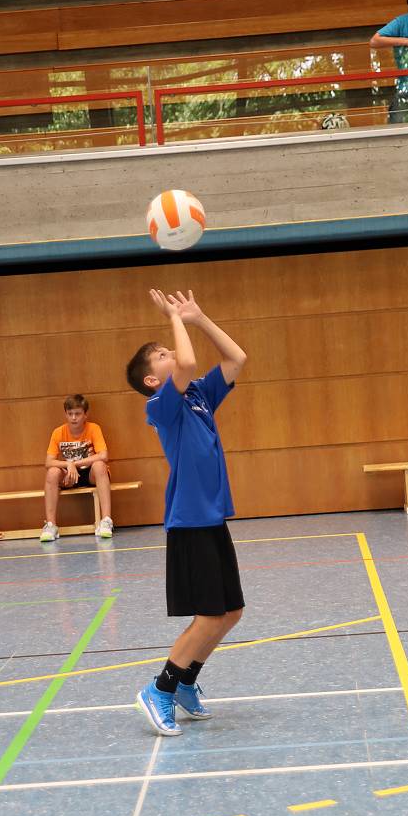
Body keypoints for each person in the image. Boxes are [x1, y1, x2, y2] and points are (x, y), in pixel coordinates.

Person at [125, 289, 246, 736]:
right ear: (152, 379)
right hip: (190, 521)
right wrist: (175, 318)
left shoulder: (197, 395)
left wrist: (199, 318)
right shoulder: (162, 404)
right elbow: (189, 362)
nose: (170, 353)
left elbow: (237, 358)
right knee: (209, 616)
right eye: (161, 355)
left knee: (230, 612)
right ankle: (159, 689)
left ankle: (185, 683)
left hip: (212, 518)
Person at [41, 394, 113, 542]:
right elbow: (48, 462)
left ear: (85, 414)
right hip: (69, 476)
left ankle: (106, 521)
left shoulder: (93, 428)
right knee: (52, 472)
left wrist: (74, 463)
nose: (73, 418)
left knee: (100, 466)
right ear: (66, 414)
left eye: (78, 414)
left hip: (90, 473)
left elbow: (103, 455)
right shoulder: (58, 432)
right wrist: (68, 465)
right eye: (70, 414)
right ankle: (51, 525)